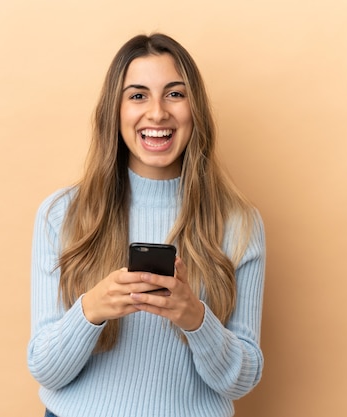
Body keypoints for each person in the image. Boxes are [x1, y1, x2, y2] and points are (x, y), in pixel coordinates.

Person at [27, 33, 266, 417]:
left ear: (195, 110)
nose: (157, 113)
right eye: (138, 95)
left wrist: (195, 318)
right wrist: (91, 310)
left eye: (175, 94)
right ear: (115, 111)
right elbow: (45, 369)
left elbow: (242, 379)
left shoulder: (239, 224)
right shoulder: (62, 213)